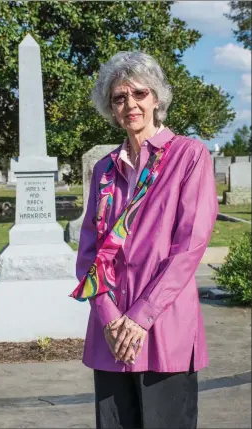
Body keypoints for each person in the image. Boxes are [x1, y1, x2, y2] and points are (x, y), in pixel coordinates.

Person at [70, 51, 218, 429]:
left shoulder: (189, 156)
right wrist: (109, 318)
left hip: (163, 327)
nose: (130, 104)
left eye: (139, 93)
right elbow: (89, 252)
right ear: (111, 107)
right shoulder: (105, 169)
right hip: (111, 334)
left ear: (156, 98)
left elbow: (189, 246)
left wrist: (138, 319)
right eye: (119, 98)